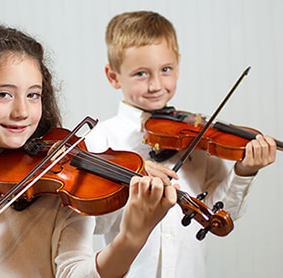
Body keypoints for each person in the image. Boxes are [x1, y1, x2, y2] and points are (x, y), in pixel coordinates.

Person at [0, 24, 178, 278]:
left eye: (33, 94)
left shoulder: (58, 194)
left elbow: (77, 272)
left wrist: (130, 238)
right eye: (3, 94)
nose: (22, 111)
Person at [85, 11, 277, 278]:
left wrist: (244, 171)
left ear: (178, 65)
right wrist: (131, 179)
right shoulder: (101, 139)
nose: (156, 85)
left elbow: (219, 214)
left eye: (166, 70)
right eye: (141, 74)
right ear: (113, 76)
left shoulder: (197, 137)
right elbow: (94, 223)